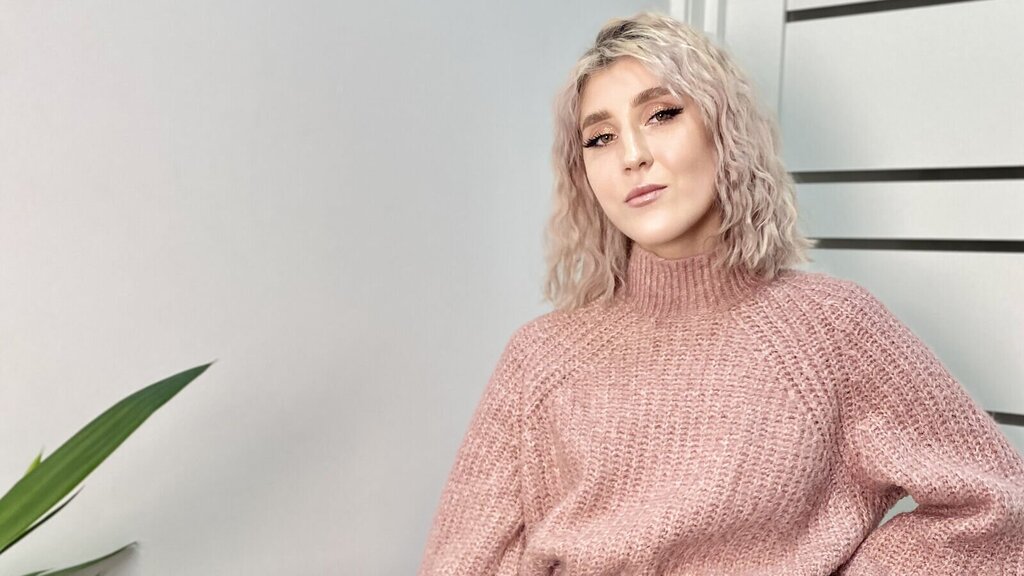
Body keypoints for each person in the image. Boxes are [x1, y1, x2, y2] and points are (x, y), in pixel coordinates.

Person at [418, 11, 1024, 576]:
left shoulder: (830, 329)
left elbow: (997, 506)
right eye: (599, 138)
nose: (632, 156)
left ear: (723, 128)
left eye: (661, 114)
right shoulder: (540, 359)